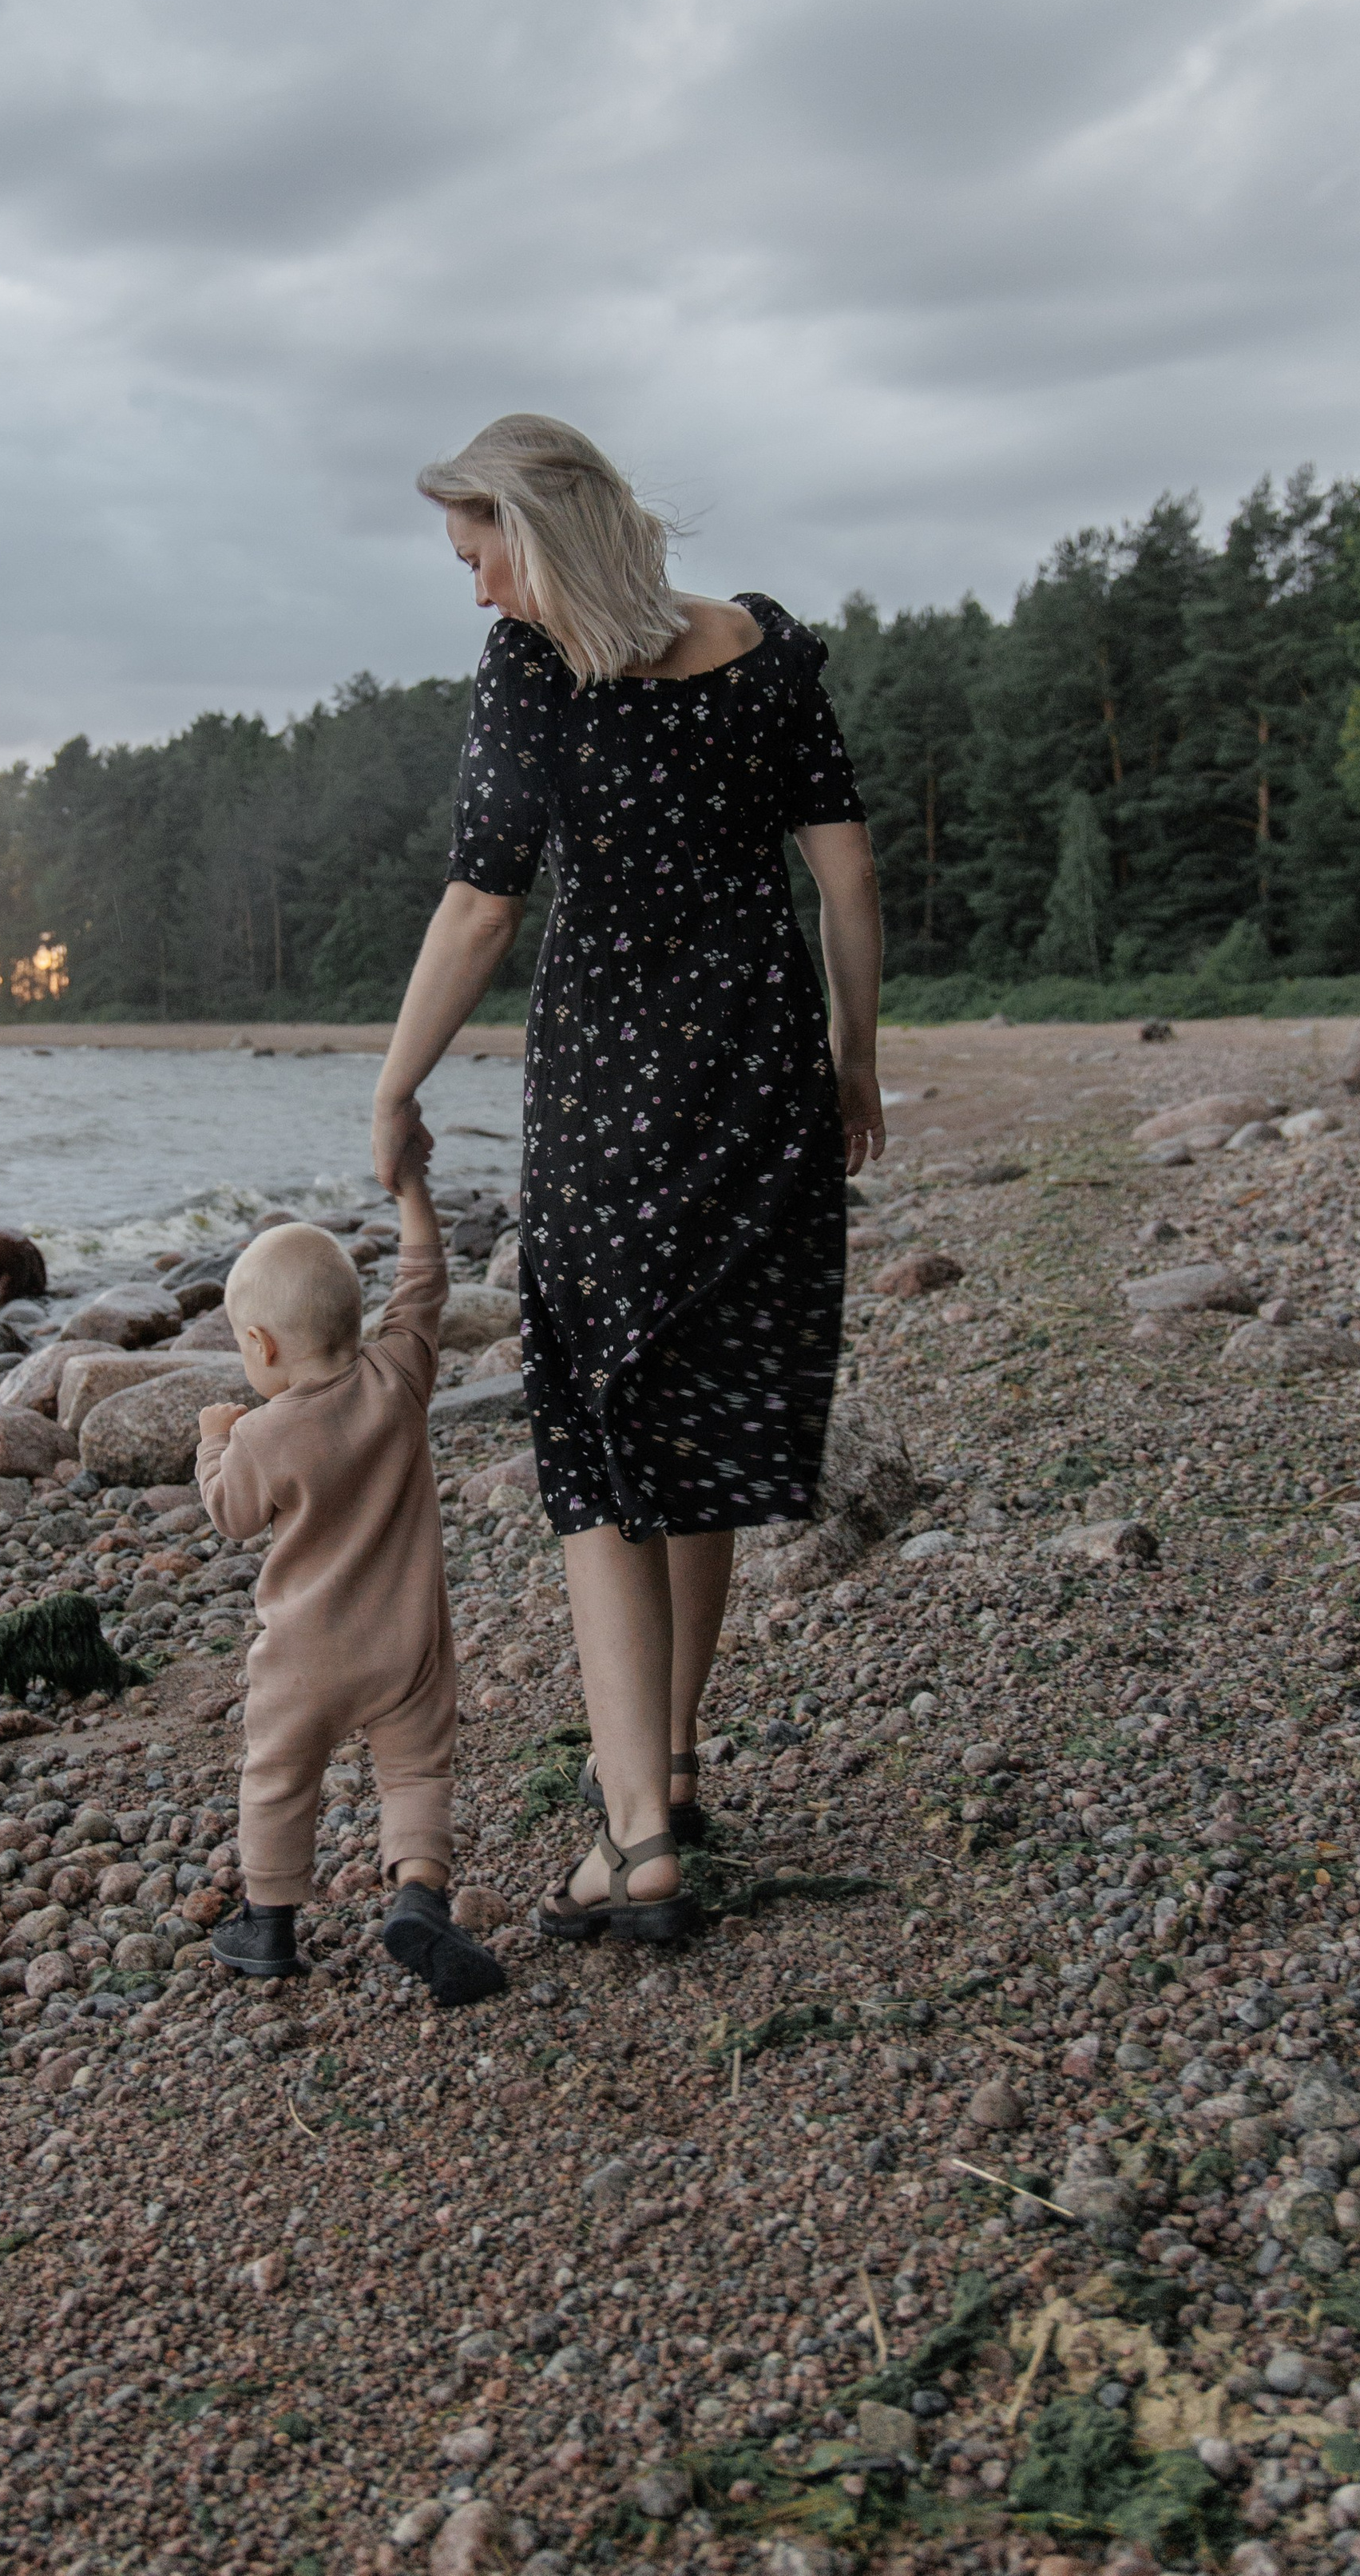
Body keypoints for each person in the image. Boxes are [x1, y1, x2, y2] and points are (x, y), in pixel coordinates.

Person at [372, 414, 885, 1943]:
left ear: (536, 532)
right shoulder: (767, 651)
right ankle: (663, 1770)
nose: (475, 598)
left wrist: (396, 1082)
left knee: (599, 1448)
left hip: (612, 1103)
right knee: (700, 1425)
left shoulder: (541, 677)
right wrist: (856, 1058)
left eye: (478, 560)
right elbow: (846, 876)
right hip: (763, 1084)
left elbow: (481, 905)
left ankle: (641, 1837)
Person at [193, 1151, 509, 2007]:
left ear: (259, 1346)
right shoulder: (398, 1374)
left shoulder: (261, 1435)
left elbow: (230, 1514)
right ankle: (419, 1898)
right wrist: (411, 1193)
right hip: (405, 1646)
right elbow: (425, 1283)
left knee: (279, 1774)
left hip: (302, 1655)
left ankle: (268, 1926)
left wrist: (216, 1437)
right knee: (415, 1775)